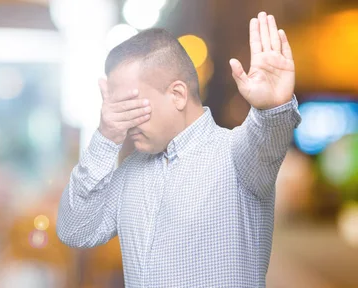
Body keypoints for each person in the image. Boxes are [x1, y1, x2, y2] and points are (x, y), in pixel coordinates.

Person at [56, 12, 301, 287]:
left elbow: (266, 138)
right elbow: (74, 231)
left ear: (177, 94)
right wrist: (104, 138)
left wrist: (271, 109)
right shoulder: (129, 173)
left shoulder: (236, 155)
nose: (126, 120)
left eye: (132, 106)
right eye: (118, 108)